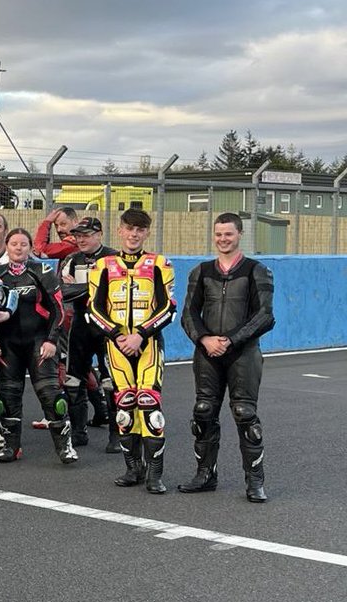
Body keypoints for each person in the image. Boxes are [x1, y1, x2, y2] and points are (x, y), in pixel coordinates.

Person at [179, 212, 275, 502]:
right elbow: (188, 313)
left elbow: (265, 316)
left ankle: (255, 481)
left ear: (239, 234)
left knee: (245, 414)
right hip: (207, 352)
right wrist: (205, 339)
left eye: (228, 234)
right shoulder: (201, 271)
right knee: (203, 411)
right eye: (219, 234)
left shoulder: (257, 270)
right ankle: (205, 475)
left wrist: (231, 341)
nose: (223, 239)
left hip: (243, 354)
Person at [88, 209, 176, 493]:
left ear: (147, 233)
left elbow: (168, 308)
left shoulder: (160, 264)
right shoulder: (103, 265)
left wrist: (140, 335)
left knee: (149, 405)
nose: (134, 234)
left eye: (140, 230)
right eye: (129, 228)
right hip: (116, 345)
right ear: (120, 230)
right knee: (125, 404)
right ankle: (132, 468)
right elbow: (93, 309)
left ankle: (155, 474)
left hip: (148, 343)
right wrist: (117, 335)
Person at [0, 228, 77, 465]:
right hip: (6, 345)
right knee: (7, 396)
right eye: (14, 244)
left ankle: (65, 447)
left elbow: (58, 310)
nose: (18, 248)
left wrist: (51, 340)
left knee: (51, 395)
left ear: (30, 247)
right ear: (7, 246)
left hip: (38, 342)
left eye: (23, 244)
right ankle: (11, 447)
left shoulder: (41, 271)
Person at [57, 216, 120, 453]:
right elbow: (62, 291)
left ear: (99, 234)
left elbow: (114, 292)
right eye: (78, 235)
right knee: (73, 380)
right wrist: (94, 287)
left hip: (108, 325)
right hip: (80, 324)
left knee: (111, 381)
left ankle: (116, 434)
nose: (81, 239)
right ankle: (78, 431)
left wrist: (82, 288)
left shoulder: (115, 258)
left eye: (86, 235)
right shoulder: (71, 259)